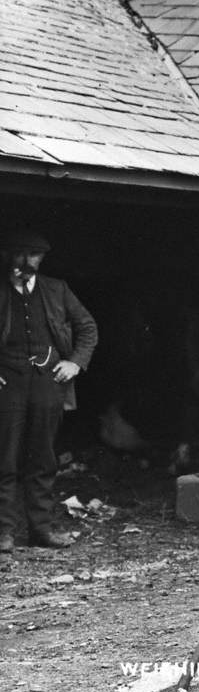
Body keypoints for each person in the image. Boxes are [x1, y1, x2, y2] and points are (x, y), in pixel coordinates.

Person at [0, 230, 98, 567]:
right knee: (5, 457)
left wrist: (75, 362)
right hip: (6, 382)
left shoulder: (56, 289)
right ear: (8, 255)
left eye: (34, 256)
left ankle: (41, 529)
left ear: (42, 259)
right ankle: (4, 533)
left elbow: (87, 327)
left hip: (46, 381)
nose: (26, 263)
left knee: (42, 457)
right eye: (19, 254)